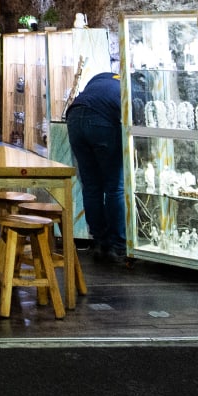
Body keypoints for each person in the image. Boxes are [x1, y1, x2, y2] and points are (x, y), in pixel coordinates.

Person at [64, 70, 127, 258]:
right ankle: (118, 244)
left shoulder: (102, 76)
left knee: (91, 186)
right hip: (102, 122)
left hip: (74, 118)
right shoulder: (130, 87)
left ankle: (99, 241)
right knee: (115, 186)